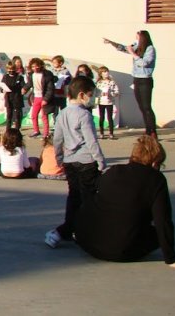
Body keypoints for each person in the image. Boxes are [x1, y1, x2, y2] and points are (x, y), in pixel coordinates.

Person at [75, 136, 175, 271]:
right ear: (154, 162)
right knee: (155, 235)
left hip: (88, 243)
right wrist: (171, 259)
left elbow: (93, 196)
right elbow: (162, 220)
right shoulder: (156, 180)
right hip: (121, 251)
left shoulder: (114, 171)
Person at [45, 76, 106, 249]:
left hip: (70, 162)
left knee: (74, 197)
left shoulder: (62, 114)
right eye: (90, 94)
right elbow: (91, 141)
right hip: (86, 161)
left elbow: (57, 139)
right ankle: (73, 232)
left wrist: (59, 158)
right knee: (89, 200)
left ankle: (68, 231)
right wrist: (100, 161)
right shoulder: (84, 115)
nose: (92, 98)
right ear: (81, 95)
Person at [23, 58, 55, 138]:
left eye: (37, 66)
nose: (35, 68)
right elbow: (30, 83)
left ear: (40, 66)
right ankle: (36, 131)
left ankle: (46, 134)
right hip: (36, 97)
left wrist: (46, 99)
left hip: (43, 97)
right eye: (33, 66)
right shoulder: (31, 75)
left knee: (44, 117)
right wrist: (24, 88)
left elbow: (50, 89)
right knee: (34, 115)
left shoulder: (47, 75)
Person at [95, 66, 120, 140]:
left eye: (107, 71)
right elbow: (96, 92)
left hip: (109, 102)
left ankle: (111, 133)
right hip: (101, 102)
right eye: (104, 72)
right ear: (101, 73)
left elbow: (117, 92)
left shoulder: (112, 82)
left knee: (110, 118)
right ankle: (101, 133)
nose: (106, 73)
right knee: (101, 117)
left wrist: (110, 94)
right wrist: (100, 94)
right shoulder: (98, 82)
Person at [0, 61, 25, 130]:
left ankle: (17, 130)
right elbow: (1, 87)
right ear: (7, 69)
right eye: (9, 69)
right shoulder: (5, 77)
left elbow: (23, 86)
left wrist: (23, 89)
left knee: (17, 116)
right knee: (9, 115)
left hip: (17, 98)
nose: (11, 71)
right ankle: (8, 130)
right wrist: (3, 90)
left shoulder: (19, 77)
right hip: (8, 99)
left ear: (15, 69)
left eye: (12, 69)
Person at [49, 55, 72, 124]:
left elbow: (68, 82)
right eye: (52, 62)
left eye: (55, 62)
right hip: (54, 94)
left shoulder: (65, 71)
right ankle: (56, 124)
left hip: (62, 94)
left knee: (63, 110)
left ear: (60, 63)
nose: (53, 64)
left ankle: (64, 124)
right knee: (55, 111)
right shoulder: (51, 71)